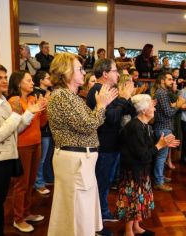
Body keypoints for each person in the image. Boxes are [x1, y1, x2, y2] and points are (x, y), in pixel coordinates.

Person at [47, 53, 117, 236]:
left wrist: (101, 106)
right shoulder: (62, 96)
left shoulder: (73, 97)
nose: (83, 72)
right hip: (74, 160)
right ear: (66, 71)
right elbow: (87, 126)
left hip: (80, 160)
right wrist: (101, 105)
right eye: (79, 69)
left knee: (81, 208)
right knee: (76, 209)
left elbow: (89, 123)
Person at [0, 63, 44, 236]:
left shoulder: (2, 101)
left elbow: (14, 130)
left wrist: (28, 113)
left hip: (4, 158)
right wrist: (15, 115)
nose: (4, 81)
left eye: (5, 77)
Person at [115, 94, 180, 236]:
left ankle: (136, 227)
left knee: (138, 200)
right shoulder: (135, 127)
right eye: (152, 106)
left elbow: (149, 151)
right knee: (132, 200)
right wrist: (159, 145)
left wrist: (163, 145)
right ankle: (128, 232)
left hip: (141, 170)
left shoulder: (145, 126)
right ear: (144, 110)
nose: (155, 109)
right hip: (132, 172)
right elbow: (143, 154)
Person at [86, 58, 135, 225]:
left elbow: (126, 110)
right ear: (105, 74)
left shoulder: (108, 89)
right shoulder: (97, 91)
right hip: (104, 145)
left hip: (112, 144)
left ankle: (102, 212)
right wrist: (123, 99)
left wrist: (126, 98)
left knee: (106, 181)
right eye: (115, 71)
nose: (118, 74)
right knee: (102, 182)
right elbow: (112, 118)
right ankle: (99, 215)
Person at [8, 71, 48, 232]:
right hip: (22, 145)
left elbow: (42, 123)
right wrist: (31, 111)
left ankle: (26, 212)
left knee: (31, 182)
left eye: (32, 80)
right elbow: (16, 127)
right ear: (19, 83)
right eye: (29, 80)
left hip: (36, 143)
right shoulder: (14, 101)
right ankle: (17, 218)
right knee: (21, 184)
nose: (32, 83)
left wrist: (43, 108)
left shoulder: (32, 99)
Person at [153, 72, 186, 192]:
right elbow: (169, 113)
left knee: (162, 156)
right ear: (162, 81)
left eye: (172, 79)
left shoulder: (164, 93)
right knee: (161, 157)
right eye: (169, 79)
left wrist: (174, 105)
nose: (172, 81)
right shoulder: (161, 93)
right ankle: (158, 182)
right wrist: (178, 105)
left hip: (164, 127)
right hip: (163, 128)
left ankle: (160, 177)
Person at [33, 71, 54, 194]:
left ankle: (45, 179)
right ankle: (39, 183)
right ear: (41, 80)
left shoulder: (49, 92)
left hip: (49, 129)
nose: (50, 79)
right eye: (47, 77)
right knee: (41, 158)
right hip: (42, 130)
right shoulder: (37, 94)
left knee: (47, 158)